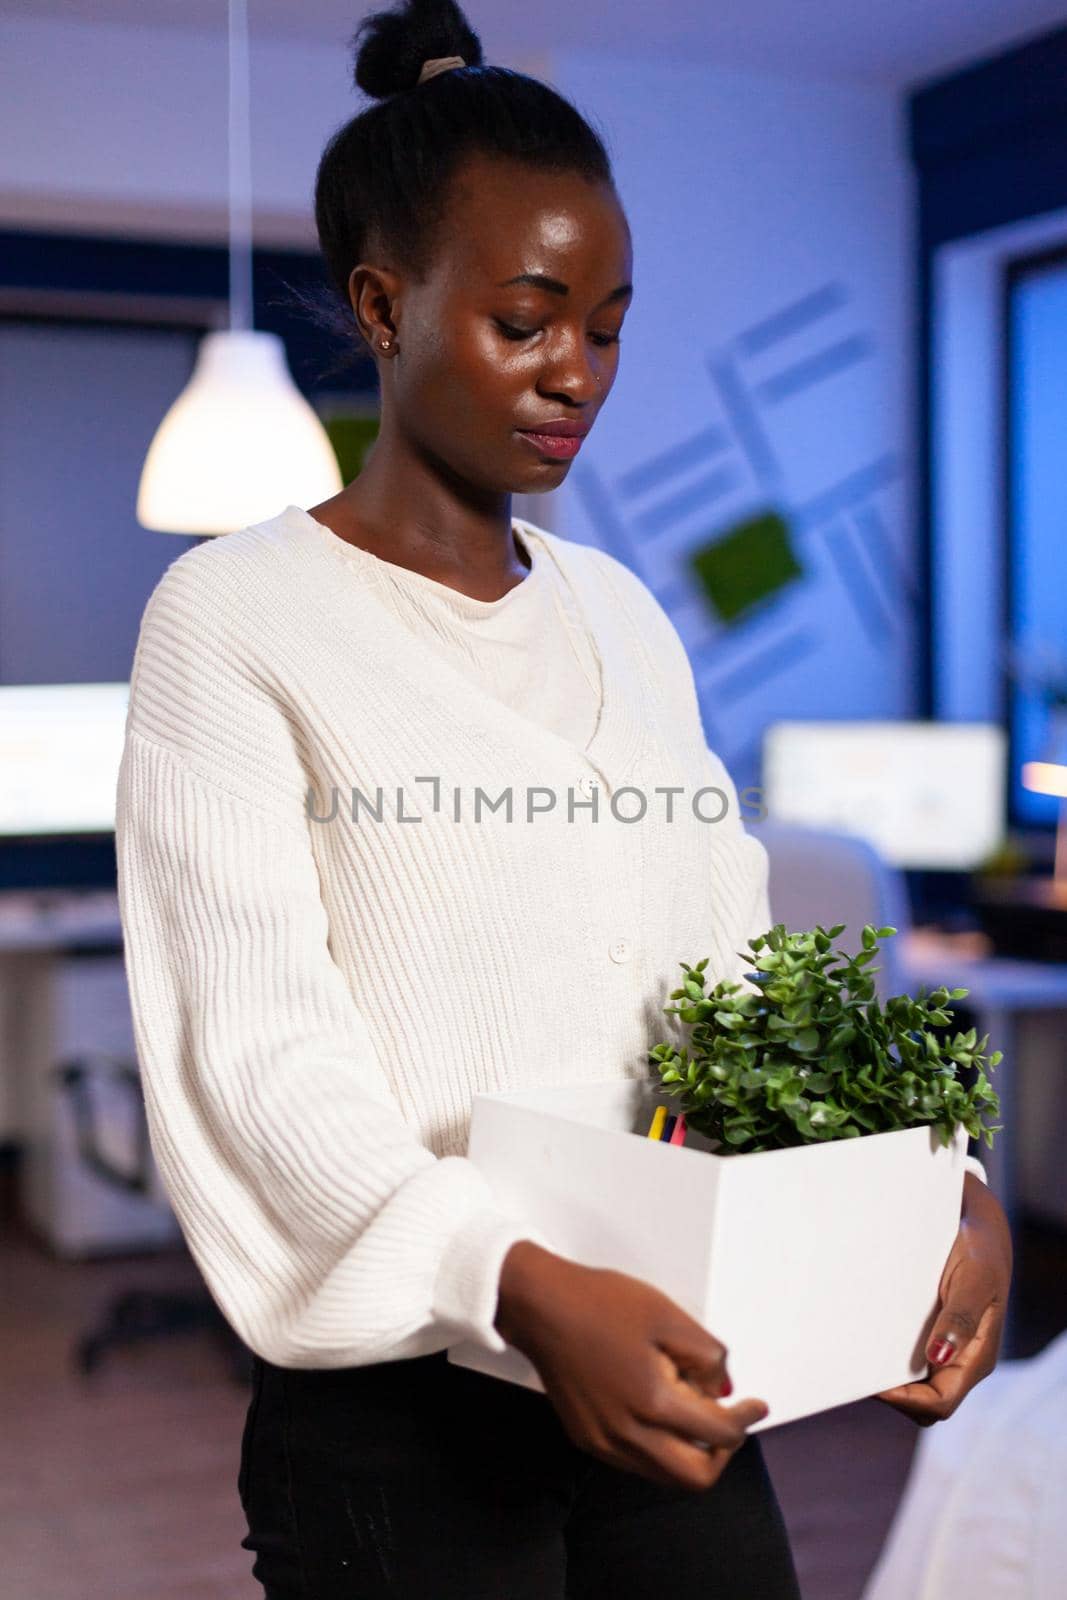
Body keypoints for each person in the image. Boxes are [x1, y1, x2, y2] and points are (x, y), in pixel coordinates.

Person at [114, 3, 1012, 1595]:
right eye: (527, 320)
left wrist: (933, 1171)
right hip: (404, 1425)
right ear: (385, 307)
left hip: (674, 1355)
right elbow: (262, 1066)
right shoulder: (232, 620)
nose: (576, 373)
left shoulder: (623, 615)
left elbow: (736, 974)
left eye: (606, 322)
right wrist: (510, 1277)